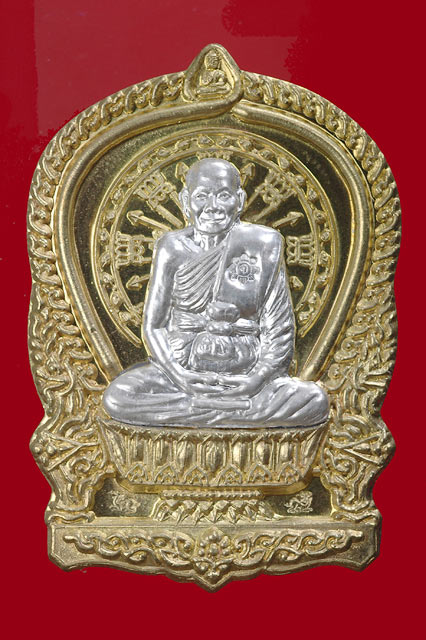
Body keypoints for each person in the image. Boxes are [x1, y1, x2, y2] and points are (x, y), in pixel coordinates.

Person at [103, 158, 329, 428]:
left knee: (314, 400)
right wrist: (179, 375)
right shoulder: (171, 248)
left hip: (245, 370)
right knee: (118, 396)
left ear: (240, 200)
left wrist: (255, 380)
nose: (212, 207)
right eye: (202, 196)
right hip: (182, 371)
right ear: (185, 201)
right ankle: (235, 414)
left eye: (223, 196)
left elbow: (278, 329)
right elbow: (154, 326)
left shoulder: (261, 245)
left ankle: (201, 411)